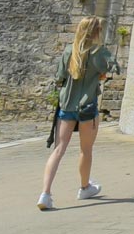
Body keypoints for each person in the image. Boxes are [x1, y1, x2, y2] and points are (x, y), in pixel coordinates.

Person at [37, 15, 119, 211]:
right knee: (86, 150)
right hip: (87, 107)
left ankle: (45, 194)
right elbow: (114, 67)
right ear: (97, 32)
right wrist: (100, 75)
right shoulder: (99, 52)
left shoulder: (69, 51)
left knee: (59, 149)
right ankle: (84, 187)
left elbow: (59, 78)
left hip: (67, 105)